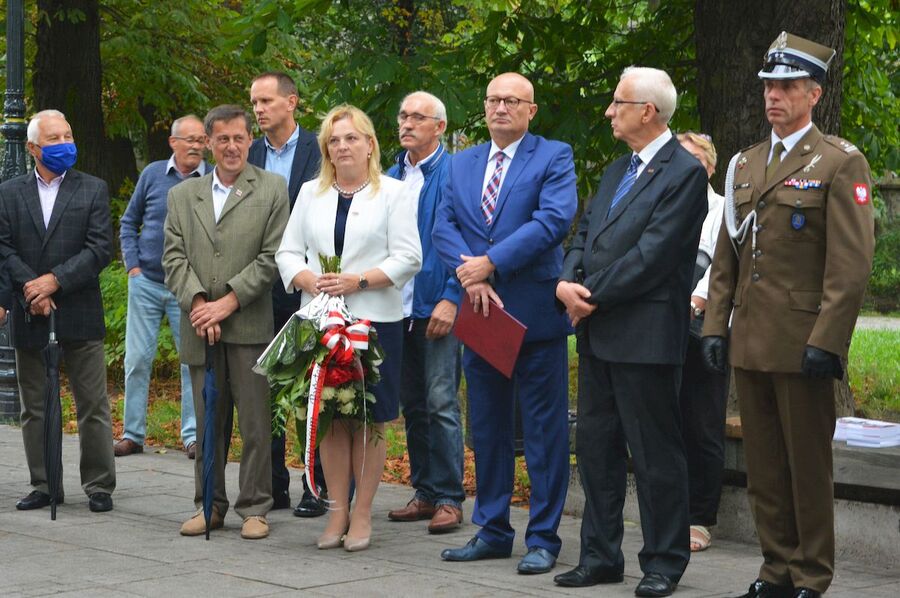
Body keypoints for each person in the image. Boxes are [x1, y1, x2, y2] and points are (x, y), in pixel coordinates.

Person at [702, 33, 875, 598]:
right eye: (770, 87)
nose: (774, 97)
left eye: (787, 87)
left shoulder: (839, 161)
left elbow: (849, 267)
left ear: (814, 94)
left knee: (806, 469)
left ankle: (810, 575)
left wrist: (828, 340)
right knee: (766, 470)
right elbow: (726, 258)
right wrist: (714, 326)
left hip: (803, 342)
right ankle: (774, 567)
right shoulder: (745, 163)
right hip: (750, 340)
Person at [555, 67, 708, 597]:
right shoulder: (617, 167)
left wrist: (588, 297)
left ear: (648, 111)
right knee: (595, 447)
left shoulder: (684, 173)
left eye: (617, 102)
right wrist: (566, 282)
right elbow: (584, 230)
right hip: (598, 334)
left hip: (643, 336)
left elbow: (654, 257)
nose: (608, 111)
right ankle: (600, 556)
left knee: (654, 454)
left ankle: (664, 561)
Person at [433, 73, 577, 575]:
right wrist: (471, 279)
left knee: (543, 433)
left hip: (534, 316)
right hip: (481, 313)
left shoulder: (553, 155)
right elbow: (442, 226)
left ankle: (543, 537)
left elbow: (553, 221)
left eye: (512, 101)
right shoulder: (462, 162)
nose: (500, 108)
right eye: (493, 100)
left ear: (530, 110)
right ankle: (492, 529)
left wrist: (490, 262)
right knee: (489, 431)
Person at [275, 104, 421, 552]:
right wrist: (308, 280)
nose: (342, 146)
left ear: (370, 144)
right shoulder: (308, 193)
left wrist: (358, 281)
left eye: (351, 138)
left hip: (374, 320)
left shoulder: (394, 193)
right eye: (334, 140)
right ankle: (336, 510)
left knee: (369, 420)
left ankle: (362, 514)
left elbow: (408, 257)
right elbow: (286, 254)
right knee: (330, 419)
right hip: (320, 319)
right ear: (326, 149)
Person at [163, 105, 289, 540]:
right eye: (222, 139)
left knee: (255, 424)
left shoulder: (272, 189)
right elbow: (173, 257)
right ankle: (208, 505)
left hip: (250, 324)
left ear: (250, 140)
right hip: (200, 326)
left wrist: (226, 303)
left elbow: (272, 259)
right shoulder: (183, 196)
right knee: (208, 421)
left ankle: (254, 507)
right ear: (208, 144)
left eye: (239, 138)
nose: (231, 146)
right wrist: (199, 302)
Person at [0, 109, 116, 513]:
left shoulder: (92, 188)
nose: (65, 143)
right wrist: (33, 287)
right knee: (36, 405)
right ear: (33, 148)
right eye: (54, 138)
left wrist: (55, 281)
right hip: (30, 309)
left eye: (68, 134)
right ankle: (45, 484)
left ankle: (99, 485)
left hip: (80, 309)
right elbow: (4, 248)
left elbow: (100, 248)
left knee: (93, 404)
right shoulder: (10, 192)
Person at [385, 91, 465, 533]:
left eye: (418, 116)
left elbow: (467, 240)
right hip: (396, 308)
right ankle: (425, 492)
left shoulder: (454, 174)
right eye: (403, 114)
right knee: (412, 403)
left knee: (441, 402)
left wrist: (452, 297)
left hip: (438, 304)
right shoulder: (389, 176)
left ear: (440, 127)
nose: (407, 122)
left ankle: (451, 497)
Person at [248, 70, 326, 516]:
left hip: (307, 288)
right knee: (267, 389)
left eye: (266, 101)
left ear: (292, 102)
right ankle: (272, 485)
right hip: (261, 289)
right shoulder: (250, 153)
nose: (258, 109)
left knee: (311, 390)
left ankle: (314, 485)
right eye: (254, 102)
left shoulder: (321, 150)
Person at [115, 115, 208, 459]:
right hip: (147, 282)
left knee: (191, 363)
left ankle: (192, 436)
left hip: (190, 288)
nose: (197, 146)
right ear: (173, 142)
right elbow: (129, 221)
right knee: (137, 359)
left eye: (201, 140)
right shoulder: (153, 174)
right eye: (190, 140)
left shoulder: (212, 178)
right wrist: (133, 266)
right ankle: (132, 434)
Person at [674, 131, 729, 553]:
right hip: (658, 326)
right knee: (665, 421)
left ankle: (700, 517)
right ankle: (670, 511)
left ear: (710, 168)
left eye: (694, 160)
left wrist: (696, 299)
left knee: (702, 423)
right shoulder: (661, 203)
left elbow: (725, 265)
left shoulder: (723, 209)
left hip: (703, 327)